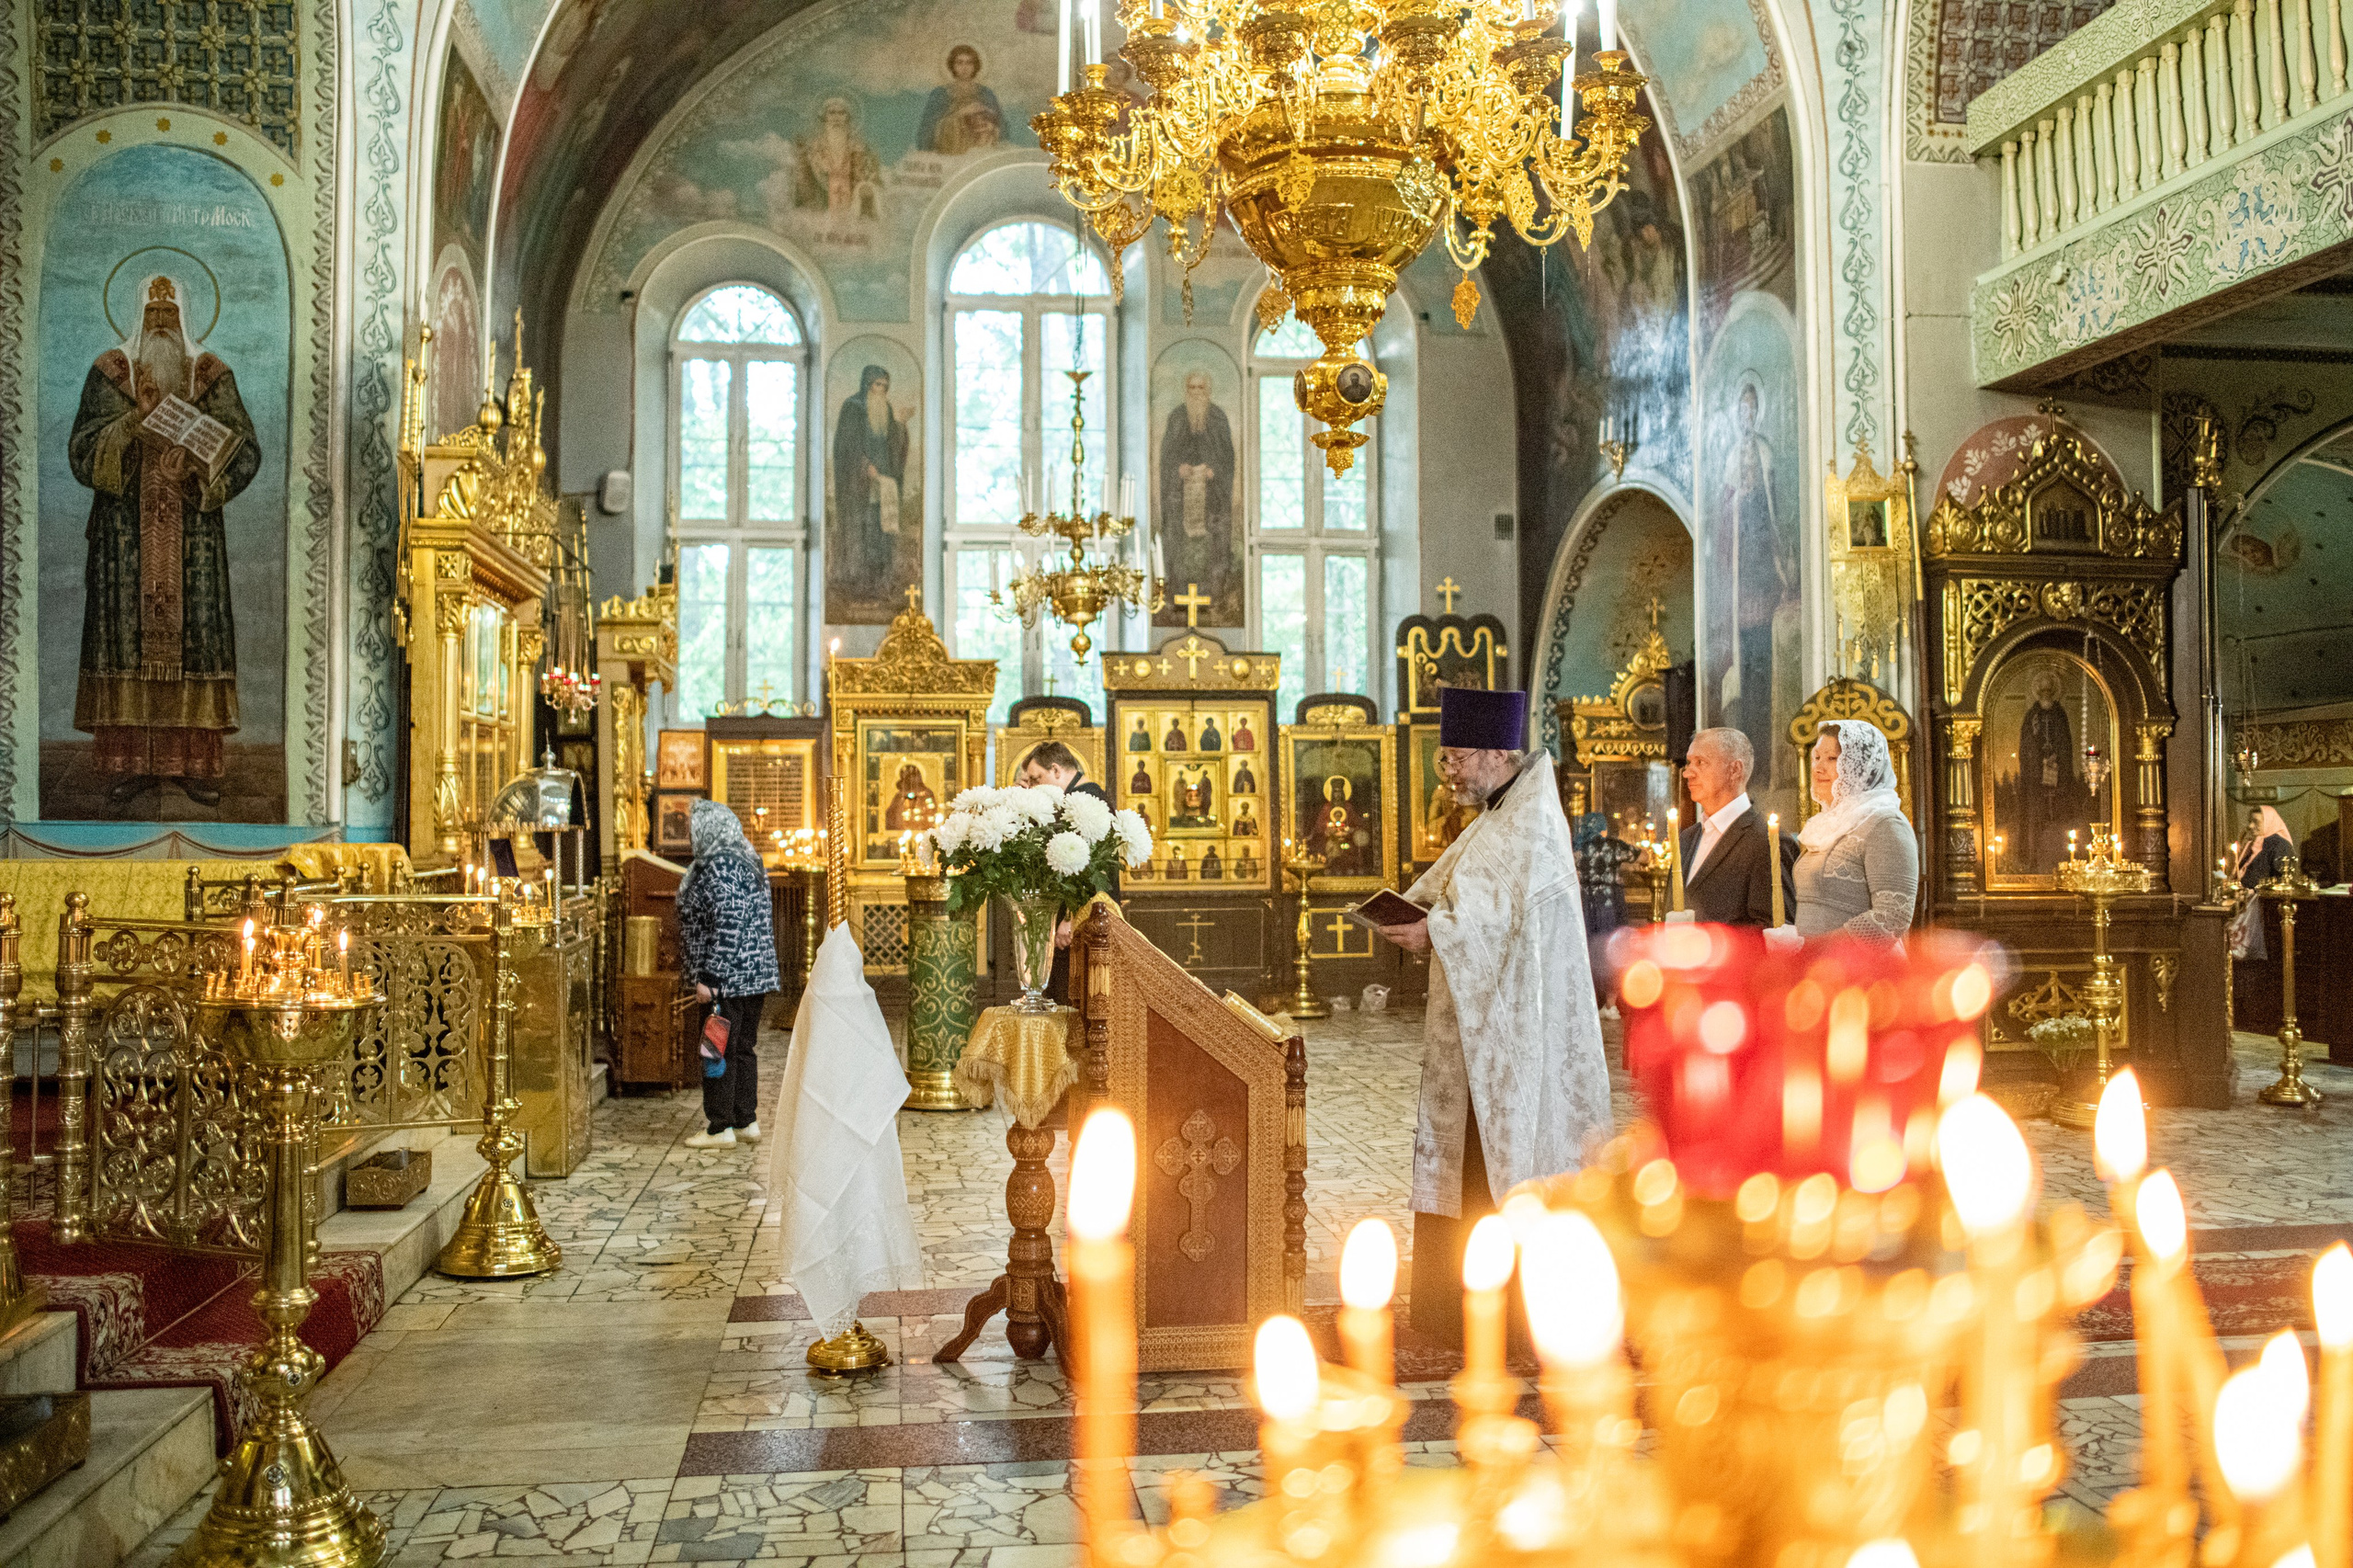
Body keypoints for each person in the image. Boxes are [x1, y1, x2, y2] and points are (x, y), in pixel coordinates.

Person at [1370, 687, 1610, 1346]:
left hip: (1516, 1037)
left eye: (1457, 759)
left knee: (1500, 1163)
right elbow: (1466, 897)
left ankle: (1507, 1320)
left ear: (1499, 752)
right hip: (1482, 1025)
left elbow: (1502, 924)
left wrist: (1435, 933)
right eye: (1444, 760)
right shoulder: (1500, 816)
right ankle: (1455, 1310)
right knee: (1464, 1160)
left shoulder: (1529, 825)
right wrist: (1423, 915)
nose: (1450, 773)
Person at [71, 276, 263, 807]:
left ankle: (193, 768)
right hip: (125, 538)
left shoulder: (209, 375)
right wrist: (130, 425)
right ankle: (129, 765)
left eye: (170, 319)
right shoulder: (111, 373)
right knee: (126, 643)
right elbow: (82, 449)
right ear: (137, 319)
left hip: (193, 538)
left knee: (194, 644)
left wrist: (198, 465)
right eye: (153, 318)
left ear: (186, 320)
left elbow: (244, 450)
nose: (162, 330)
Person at [677, 801, 781, 1148]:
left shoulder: (719, 864)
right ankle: (744, 1120)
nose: (692, 834)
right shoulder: (747, 859)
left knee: (716, 1048)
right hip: (753, 975)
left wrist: (711, 977)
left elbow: (730, 919)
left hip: (728, 979)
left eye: (695, 828)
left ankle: (719, 1126)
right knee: (741, 1048)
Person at [1792, 720, 1918, 948]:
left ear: (1861, 766)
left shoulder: (1886, 824)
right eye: (1817, 757)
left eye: (1832, 759)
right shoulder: (1825, 823)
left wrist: (1815, 949)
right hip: (1815, 971)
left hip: (1862, 972)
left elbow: (1892, 917)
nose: (1818, 768)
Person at [1016, 741, 1114, 1003]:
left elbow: (1089, 868)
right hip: (1068, 917)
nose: (1035, 786)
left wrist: (1070, 920)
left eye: (1037, 779)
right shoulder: (1070, 798)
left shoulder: (1087, 799)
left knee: (1070, 994)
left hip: (1080, 919)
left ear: (1056, 770)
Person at [1673, 727, 1797, 927]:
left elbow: (1775, 929)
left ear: (1734, 770)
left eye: (1700, 763)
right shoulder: (1687, 838)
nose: (1687, 773)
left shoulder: (1767, 842)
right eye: (1689, 763)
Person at [831, 364, 909, 585]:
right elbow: (846, 446)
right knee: (861, 528)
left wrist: (901, 425)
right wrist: (864, 465)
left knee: (880, 528)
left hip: (882, 485)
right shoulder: (852, 407)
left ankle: (880, 580)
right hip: (858, 485)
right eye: (877, 385)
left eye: (885, 386)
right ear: (867, 385)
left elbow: (893, 444)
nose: (881, 391)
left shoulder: (886, 408)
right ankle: (857, 580)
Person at [2232, 806, 2296, 960]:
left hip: (2264, 911)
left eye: (2256, 822)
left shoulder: (2279, 844)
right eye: (2250, 821)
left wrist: (2255, 890)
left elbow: (2281, 880)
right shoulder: (2252, 843)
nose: (2250, 826)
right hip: (2245, 903)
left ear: (2269, 822)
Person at [915, 44, 1003, 155]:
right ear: (952, 65)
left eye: (969, 63)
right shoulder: (940, 94)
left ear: (975, 65)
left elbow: (1001, 128)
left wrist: (989, 117)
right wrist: (961, 113)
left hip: (980, 153)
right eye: (959, 63)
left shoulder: (986, 94)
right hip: (949, 155)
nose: (964, 68)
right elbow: (928, 129)